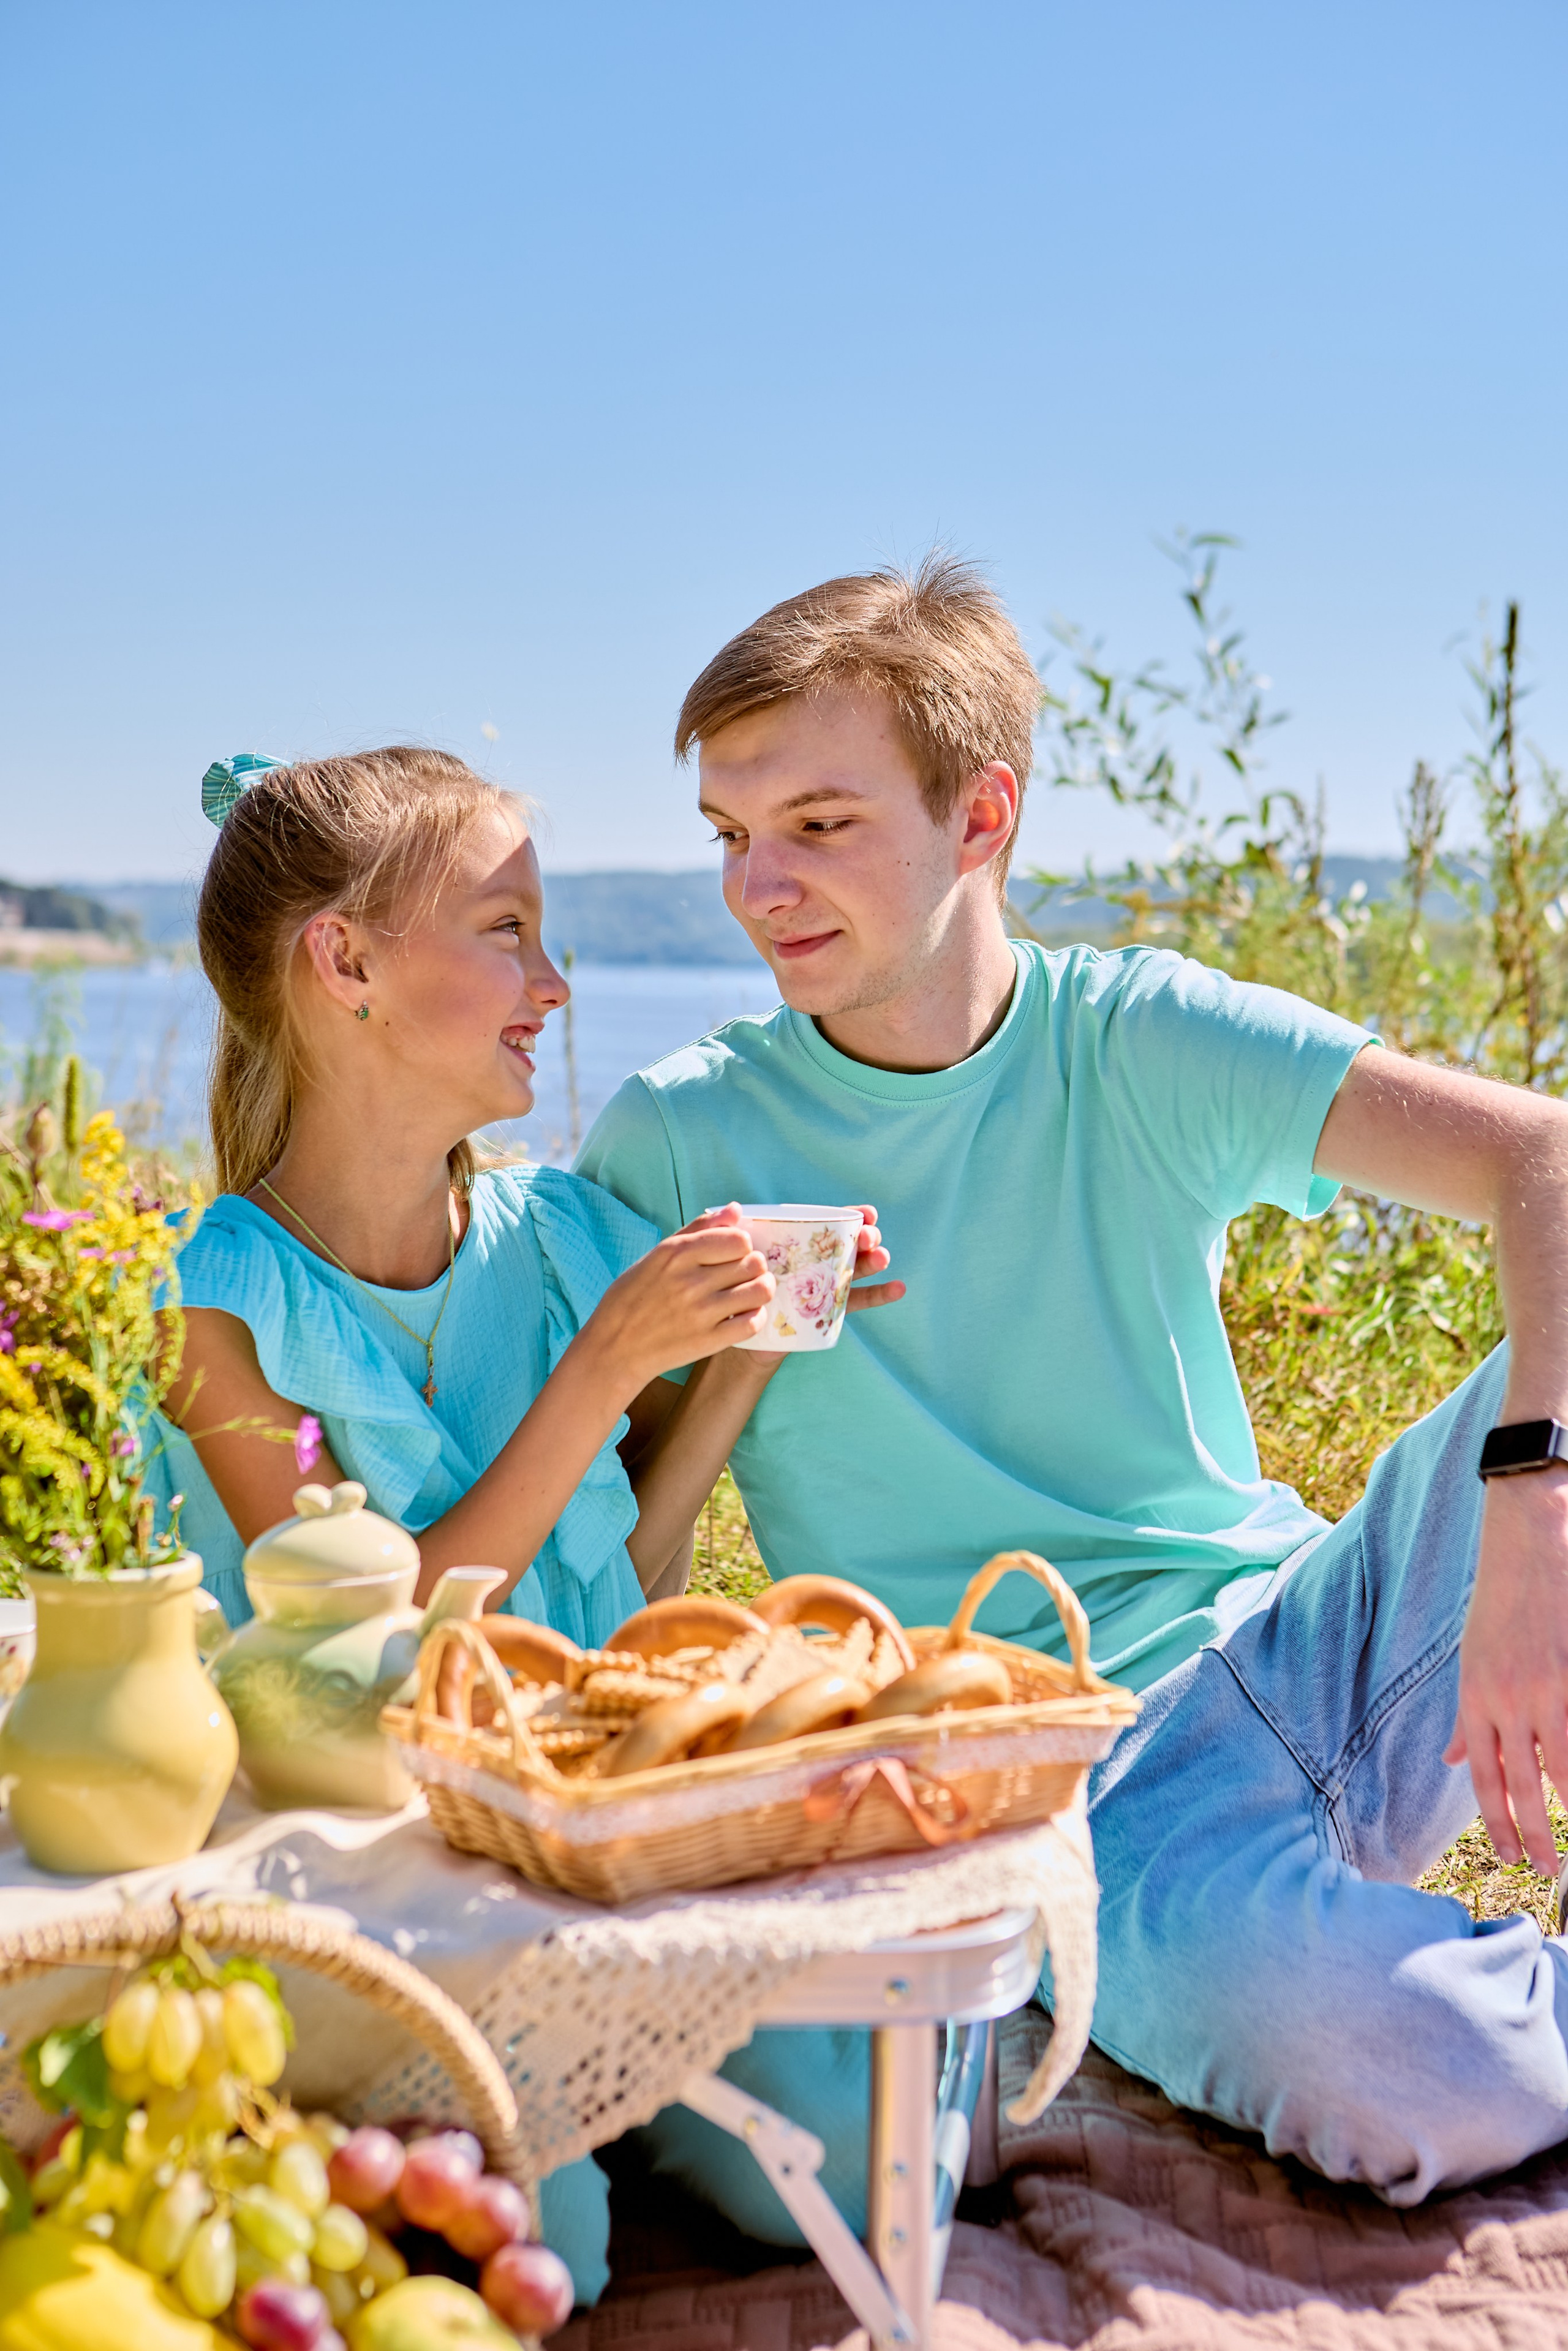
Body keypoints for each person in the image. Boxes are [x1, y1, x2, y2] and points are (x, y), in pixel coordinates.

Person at [576, 554, 1568, 2235]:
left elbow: (1543, 1157)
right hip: (1054, 1776)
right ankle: (1267, 1982)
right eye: (731, 831)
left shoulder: (1133, 1038)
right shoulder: (679, 1139)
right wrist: (733, 1347)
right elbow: (630, 1582)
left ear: (982, 818)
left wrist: (1532, 1514)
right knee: (1381, 2060)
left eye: (819, 822)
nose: (759, 883)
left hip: (1305, 1637)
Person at [140, 742, 896, 2301]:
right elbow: (381, 1638)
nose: (550, 983)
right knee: (558, 2243)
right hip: (359, 1873)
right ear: (343, 962)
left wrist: (742, 1354)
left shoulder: (552, 1236)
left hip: (578, 1835)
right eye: (506, 931)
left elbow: (617, 1574)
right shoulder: (210, 1305)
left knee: (829, 2138)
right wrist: (611, 1362)